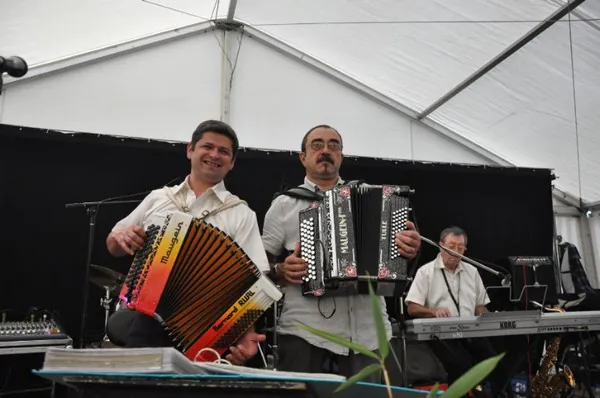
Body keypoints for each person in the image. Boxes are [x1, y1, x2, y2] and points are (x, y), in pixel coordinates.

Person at [262, 125, 422, 381]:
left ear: (341, 156)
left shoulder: (375, 196)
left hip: (367, 328)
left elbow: (400, 254)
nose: (326, 150)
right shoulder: (283, 206)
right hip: (305, 328)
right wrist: (281, 270)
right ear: (303, 156)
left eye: (333, 145)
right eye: (317, 144)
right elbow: (259, 267)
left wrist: (409, 247)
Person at [106, 120, 268, 365]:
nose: (215, 155)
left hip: (205, 329)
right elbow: (113, 244)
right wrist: (121, 236)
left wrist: (246, 335)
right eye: (208, 146)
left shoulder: (241, 213)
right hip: (145, 318)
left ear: (232, 163)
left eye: (224, 151)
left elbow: (253, 284)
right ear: (190, 150)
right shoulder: (158, 198)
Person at [405, 226, 507, 396]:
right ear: (441, 246)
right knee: (461, 364)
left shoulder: (472, 271)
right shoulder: (425, 272)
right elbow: (412, 308)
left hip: (470, 331)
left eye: (461, 248)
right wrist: (433, 311)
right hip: (440, 333)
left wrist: (494, 319)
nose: (456, 252)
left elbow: (479, 307)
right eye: (451, 247)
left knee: (495, 363)